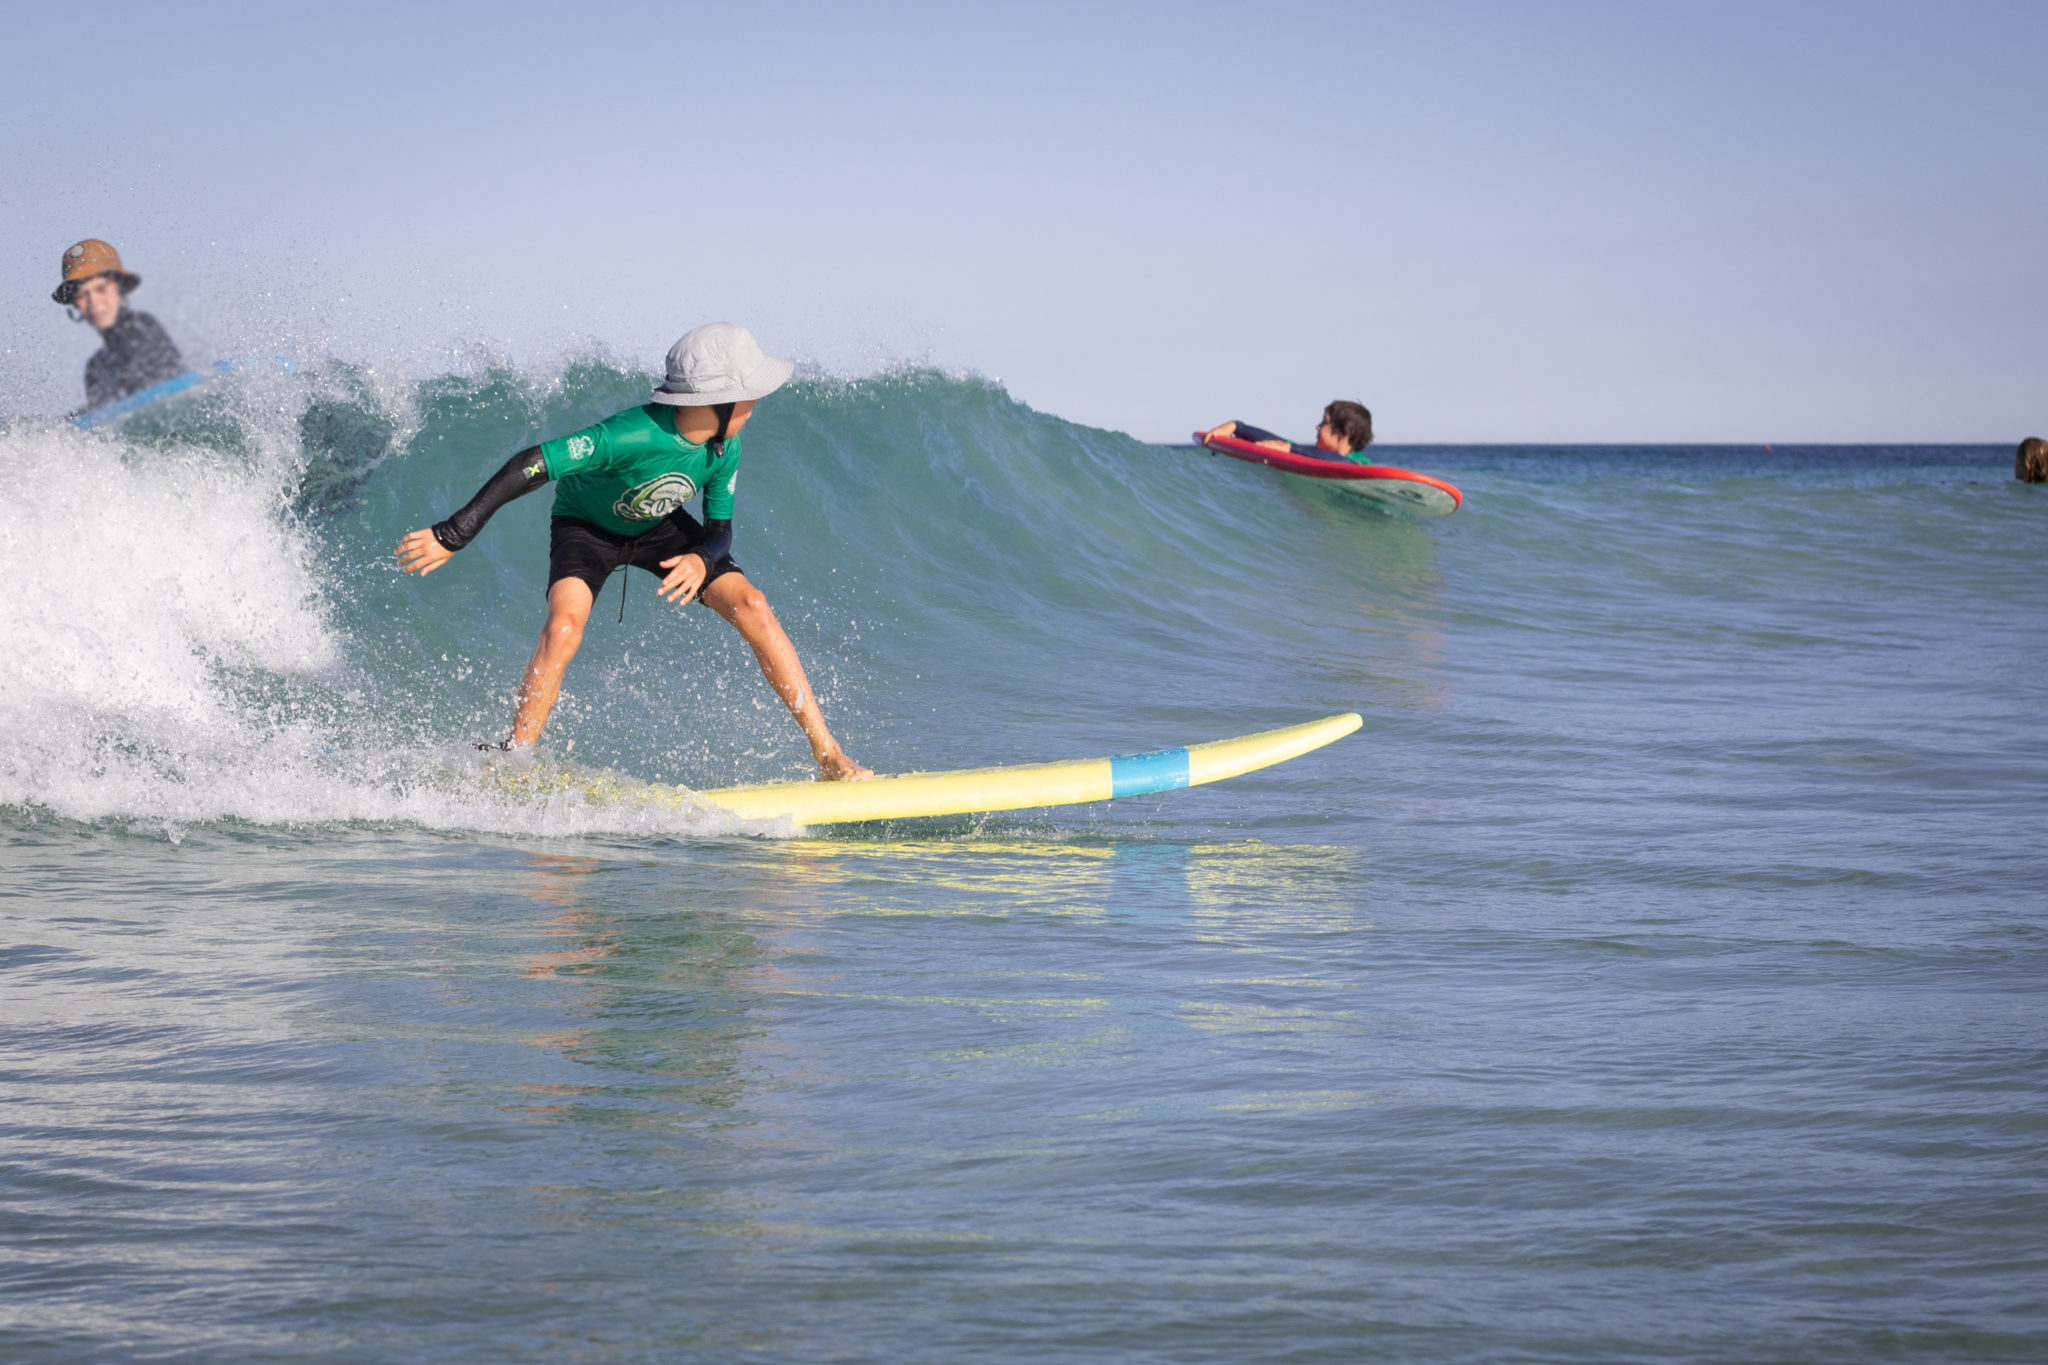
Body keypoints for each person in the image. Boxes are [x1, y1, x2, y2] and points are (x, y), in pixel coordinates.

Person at [394, 322, 872, 781]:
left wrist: (702, 558)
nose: (755, 405)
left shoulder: (725, 448)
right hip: (585, 529)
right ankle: (515, 760)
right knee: (563, 627)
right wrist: (453, 533)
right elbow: (533, 463)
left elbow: (719, 529)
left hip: (660, 527)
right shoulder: (628, 435)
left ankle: (827, 752)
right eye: (748, 395)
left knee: (753, 604)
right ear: (717, 400)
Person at [52, 238, 187, 410]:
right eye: (82, 295)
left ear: (119, 289)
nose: (93, 301)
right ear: (75, 305)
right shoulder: (95, 367)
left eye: (101, 289)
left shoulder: (141, 327)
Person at [1203, 400, 1374, 462]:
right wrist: (1237, 426)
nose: (1318, 426)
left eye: (1324, 423)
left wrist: (1291, 450)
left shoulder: (1359, 463)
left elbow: (1341, 463)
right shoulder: (1307, 453)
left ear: (1343, 433)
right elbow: (1275, 441)